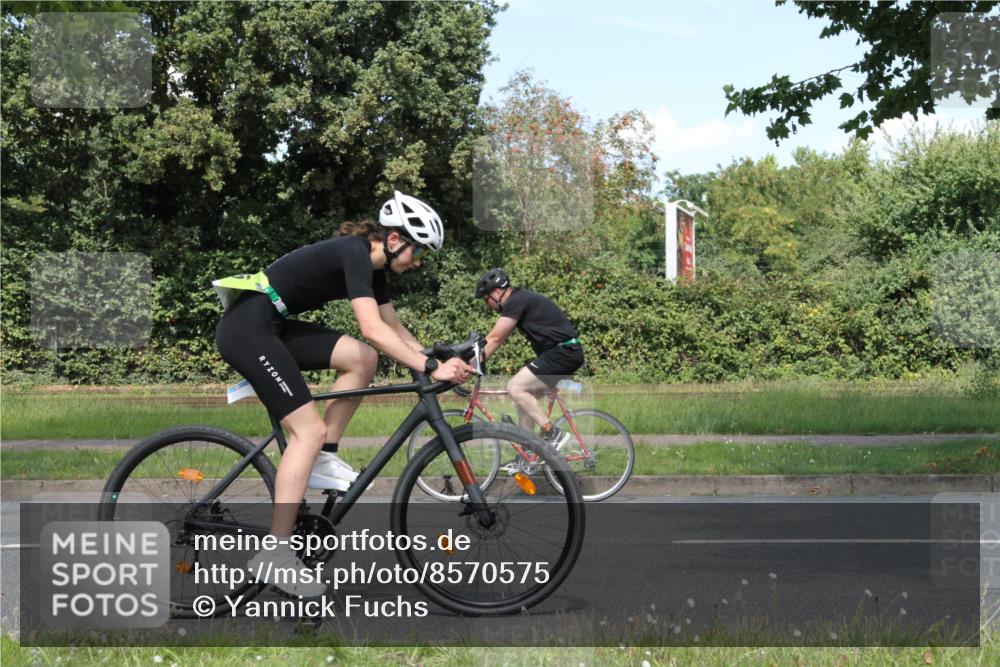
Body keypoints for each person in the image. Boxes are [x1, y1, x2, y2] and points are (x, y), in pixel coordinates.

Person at [214, 191, 474, 596]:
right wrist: (429, 367)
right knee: (308, 431)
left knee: (363, 359)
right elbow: (371, 327)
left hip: (271, 324)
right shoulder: (355, 252)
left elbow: (392, 328)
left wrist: (433, 358)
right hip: (248, 329)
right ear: (394, 240)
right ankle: (275, 555)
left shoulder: (375, 269)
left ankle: (323, 457)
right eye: (418, 250)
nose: (418, 261)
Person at [475, 268, 584, 449]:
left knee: (515, 386)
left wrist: (472, 363)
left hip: (563, 352)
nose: (487, 305)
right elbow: (495, 339)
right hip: (562, 352)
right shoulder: (519, 298)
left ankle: (552, 433)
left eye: (486, 299)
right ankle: (527, 457)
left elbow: (495, 338)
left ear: (497, 292)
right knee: (524, 399)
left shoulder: (515, 300)